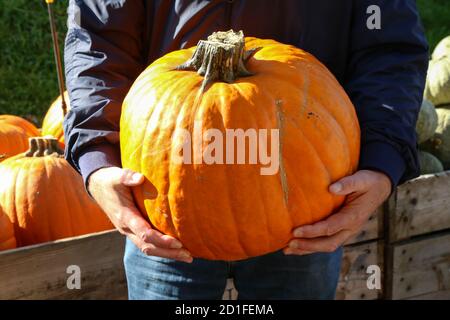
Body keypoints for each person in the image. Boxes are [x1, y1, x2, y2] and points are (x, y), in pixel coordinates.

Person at [63, 0, 428, 299]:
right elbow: (97, 38)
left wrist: (383, 160)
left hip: (304, 211)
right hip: (166, 205)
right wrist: (96, 157)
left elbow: (388, 48)